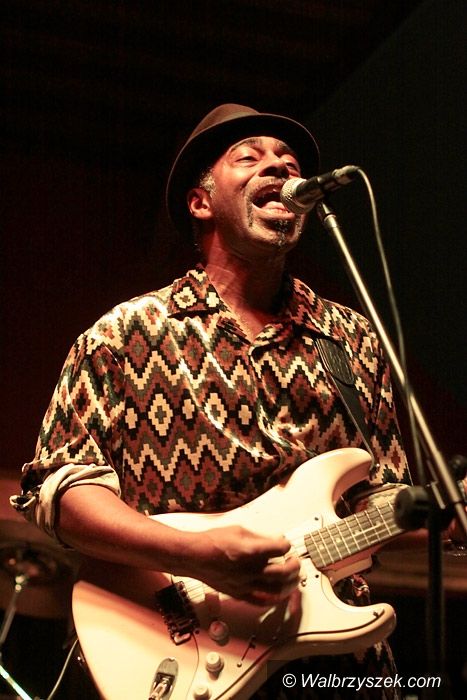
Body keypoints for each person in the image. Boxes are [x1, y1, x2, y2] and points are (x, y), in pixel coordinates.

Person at [11, 104, 435, 698]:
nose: (279, 167)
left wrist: (444, 514)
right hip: (176, 647)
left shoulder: (350, 339)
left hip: (338, 667)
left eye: (289, 162)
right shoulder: (126, 334)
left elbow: (378, 498)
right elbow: (61, 491)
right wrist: (194, 555)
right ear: (200, 203)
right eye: (250, 157)